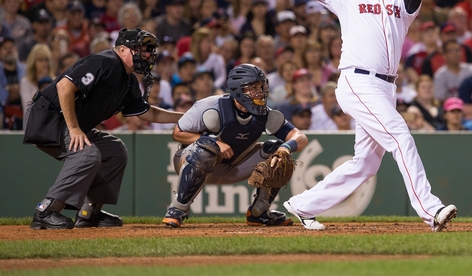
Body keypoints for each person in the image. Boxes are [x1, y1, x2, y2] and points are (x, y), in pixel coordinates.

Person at [235, 0, 457, 231]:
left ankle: (303, 205)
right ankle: (431, 209)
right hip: (358, 81)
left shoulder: (399, 2)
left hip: (386, 87)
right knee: (400, 136)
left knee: (365, 165)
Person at [24, 28, 183, 229]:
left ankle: (89, 213)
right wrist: (74, 128)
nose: (147, 55)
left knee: (114, 150)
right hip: (47, 117)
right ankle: (46, 211)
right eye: (141, 50)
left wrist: (185, 117)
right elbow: (64, 87)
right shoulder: (105, 61)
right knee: (87, 154)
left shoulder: (128, 79)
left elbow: (147, 113)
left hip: (64, 121)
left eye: (148, 51)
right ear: (123, 49)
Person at [162, 64, 309, 228]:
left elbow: (300, 137)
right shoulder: (210, 105)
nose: (259, 92)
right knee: (206, 149)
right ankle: (177, 209)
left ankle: (259, 212)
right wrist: (215, 143)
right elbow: (178, 133)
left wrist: (286, 147)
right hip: (190, 160)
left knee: (277, 151)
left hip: (233, 166)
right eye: (253, 87)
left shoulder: (265, 113)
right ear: (238, 89)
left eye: (260, 86)